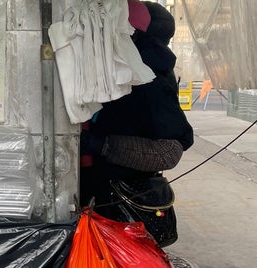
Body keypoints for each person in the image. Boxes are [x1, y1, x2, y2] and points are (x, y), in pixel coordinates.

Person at [79, 1, 193, 247]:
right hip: (98, 196)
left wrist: (102, 145)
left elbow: (169, 152)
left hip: (123, 204)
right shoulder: (114, 69)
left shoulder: (151, 81)